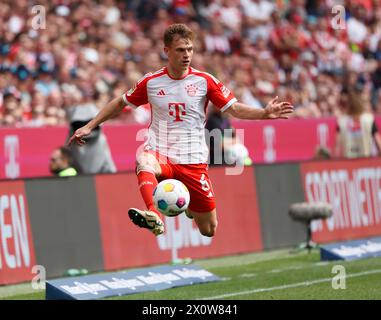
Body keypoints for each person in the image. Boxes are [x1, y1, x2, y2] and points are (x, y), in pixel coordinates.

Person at [69, 24, 293, 237]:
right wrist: (89, 126)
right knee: (143, 161)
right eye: (180, 50)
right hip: (161, 153)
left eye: (190, 49)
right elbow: (120, 103)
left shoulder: (205, 81)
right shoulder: (152, 82)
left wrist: (263, 113)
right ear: (167, 51)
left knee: (209, 229)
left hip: (192, 160)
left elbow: (233, 108)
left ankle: (186, 206)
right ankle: (153, 214)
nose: (186, 55)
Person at [335, 88, 381, 158]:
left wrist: (335, 161)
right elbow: (378, 141)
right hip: (367, 159)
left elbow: (337, 145)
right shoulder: (368, 119)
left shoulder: (342, 121)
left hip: (349, 159)